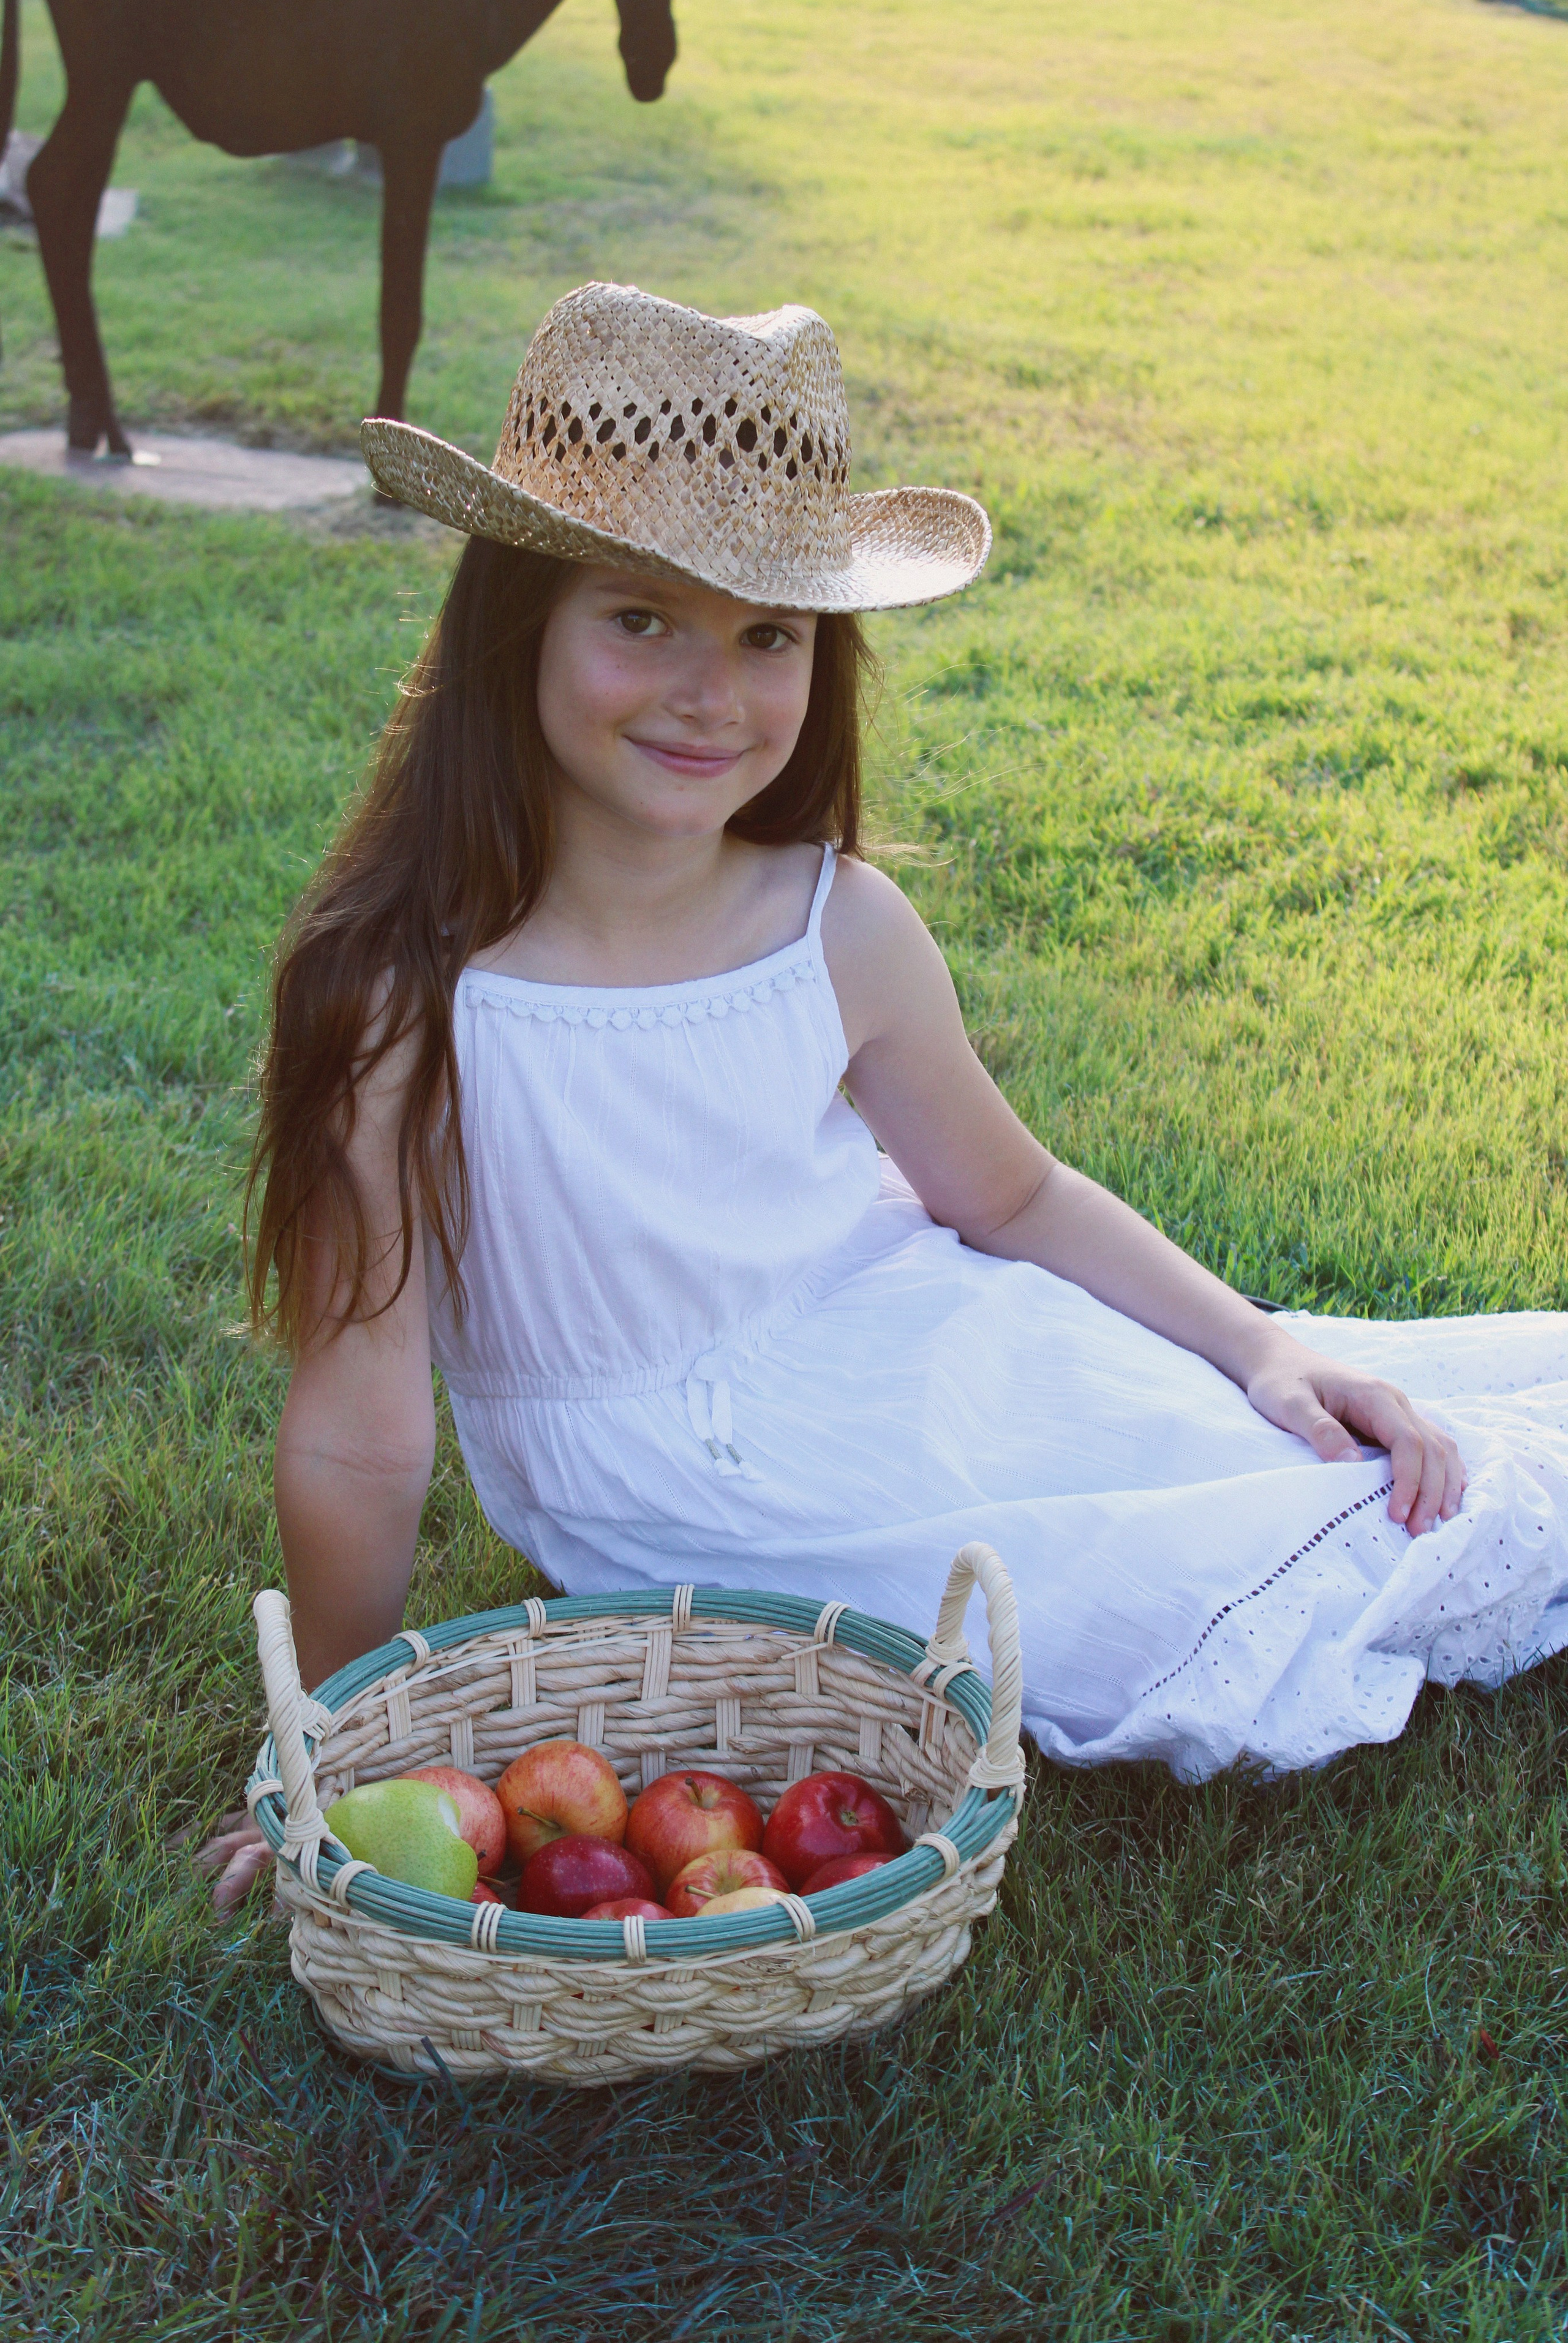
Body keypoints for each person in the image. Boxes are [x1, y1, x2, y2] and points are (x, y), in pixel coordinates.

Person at [201, 282, 1568, 1909]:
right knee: (1191, 1567)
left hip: (921, 1347)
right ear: (517, 625)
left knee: (1334, 1441)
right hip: (697, 1491)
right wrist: (334, 1747)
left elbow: (1011, 1199)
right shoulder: (401, 999)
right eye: (641, 618)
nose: (713, 692)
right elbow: (362, 1428)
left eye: (768, 635)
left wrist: (1269, 1344)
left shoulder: (834, 924)